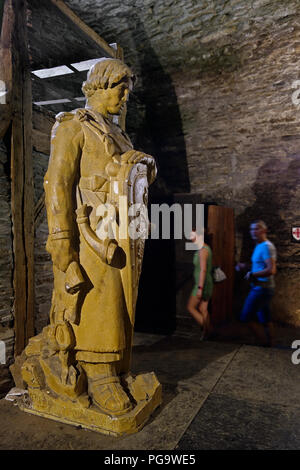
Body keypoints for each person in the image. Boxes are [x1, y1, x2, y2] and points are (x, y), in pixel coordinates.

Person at [39, 58, 157, 415]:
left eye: (128, 91)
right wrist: (61, 240)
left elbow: (133, 178)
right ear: (101, 85)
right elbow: (56, 183)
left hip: (121, 225)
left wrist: (144, 166)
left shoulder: (119, 133)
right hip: (89, 227)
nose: (125, 97)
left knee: (120, 304)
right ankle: (99, 374)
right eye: (121, 89)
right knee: (98, 302)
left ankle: (117, 368)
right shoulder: (73, 124)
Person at [236, 220, 277, 346]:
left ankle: (262, 342)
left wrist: (252, 274)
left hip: (262, 289)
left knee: (245, 317)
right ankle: (270, 343)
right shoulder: (259, 245)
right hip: (262, 287)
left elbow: (271, 269)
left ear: (264, 231)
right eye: (251, 229)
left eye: (256, 229)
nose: (253, 232)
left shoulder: (266, 247)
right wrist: (246, 266)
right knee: (265, 318)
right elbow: (260, 265)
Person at [187, 229, 214, 339]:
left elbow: (203, 270)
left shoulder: (203, 250)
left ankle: (209, 331)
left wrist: (200, 288)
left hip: (202, 284)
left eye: (192, 235)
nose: (190, 237)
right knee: (203, 309)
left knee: (191, 307)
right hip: (204, 283)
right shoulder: (202, 248)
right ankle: (207, 335)